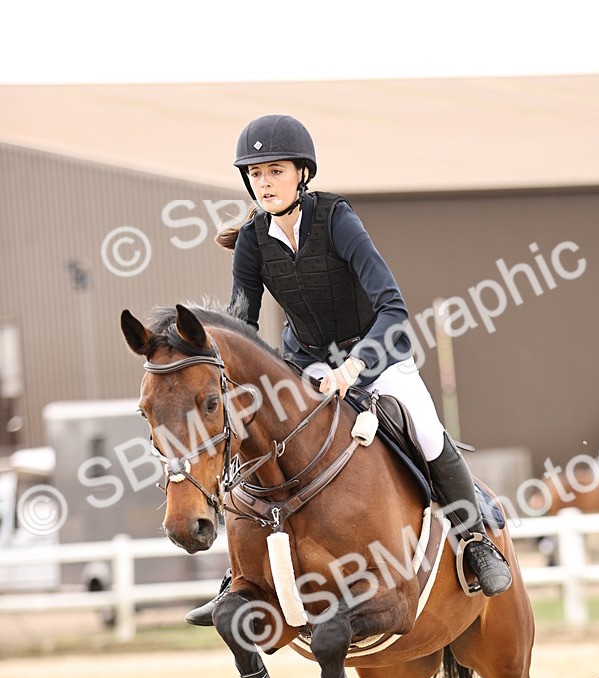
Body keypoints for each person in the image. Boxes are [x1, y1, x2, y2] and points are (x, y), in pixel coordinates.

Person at [186, 114, 511, 625]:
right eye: (255, 173)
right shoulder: (252, 241)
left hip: (376, 353)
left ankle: (473, 540)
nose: (263, 182)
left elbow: (394, 309)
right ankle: (240, 574)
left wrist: (355, 367)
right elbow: (241, 328)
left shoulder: (336, 219)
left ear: (302, 173)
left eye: (274, 170)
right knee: (252, 437)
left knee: (425, 428)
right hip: (305, 361)